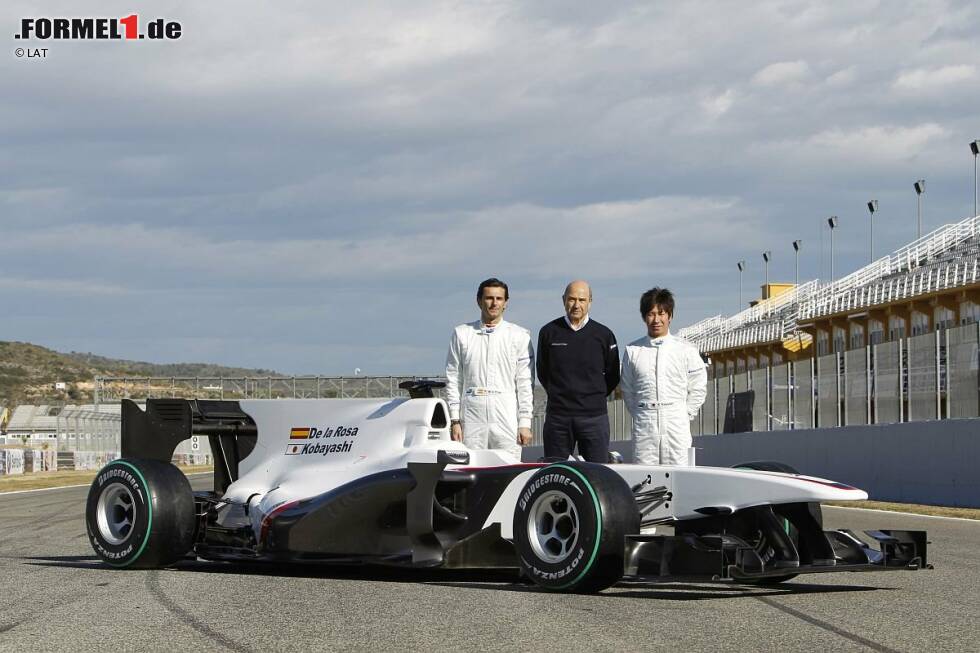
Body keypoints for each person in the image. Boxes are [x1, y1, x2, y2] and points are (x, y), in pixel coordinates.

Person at [445, 278, 534, 459]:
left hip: (505, 413)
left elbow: (525, 382)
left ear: (505, 303)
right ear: (479, 301)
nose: (494, 303)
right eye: (489, 298)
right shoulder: (462, 334)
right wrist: (454, 420)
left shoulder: (519, 335)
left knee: (509, 468)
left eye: (499, 299)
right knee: (470, 467)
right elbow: (453, 378)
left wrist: (525, 422)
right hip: (471, 414)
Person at [621, 287, 707, 465]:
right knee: (645, 478)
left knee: (679, 475)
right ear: (644, 317)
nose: (656, 320)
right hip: (645, 422)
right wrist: (641, 413)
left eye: (661, 313)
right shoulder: (633, 350)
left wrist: (684, 414)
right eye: (651, 314)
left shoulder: (686, 349)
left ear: (670, 316)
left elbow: (698, 388)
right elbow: (627, 390)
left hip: (676, 422)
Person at [536, 280, 620, 462]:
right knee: (556, 474)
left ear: (590, 301)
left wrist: (591, 397)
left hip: (594, 418)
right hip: (558, 419)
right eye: (572, 299)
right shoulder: (548, 332)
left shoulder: (604, 335)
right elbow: (542, 372)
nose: (576, 305)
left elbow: (613, 375)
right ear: (563, 300)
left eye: (582, 300)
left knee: (598, 474)